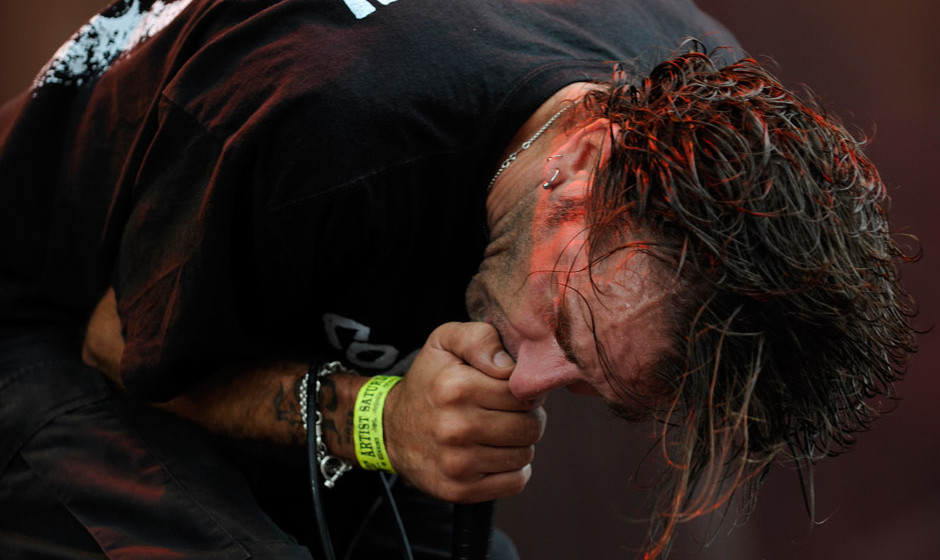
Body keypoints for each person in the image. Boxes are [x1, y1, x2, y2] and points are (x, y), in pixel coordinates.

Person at [0, 1, 916, 559]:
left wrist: (402, 424)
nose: (526, 386)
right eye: (569, 334)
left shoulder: (714, 115)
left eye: (597, 386)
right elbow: (119, 346)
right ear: (582, 166)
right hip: (52, 328)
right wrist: (376, 418)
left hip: (298, 322)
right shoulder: (330, 123)